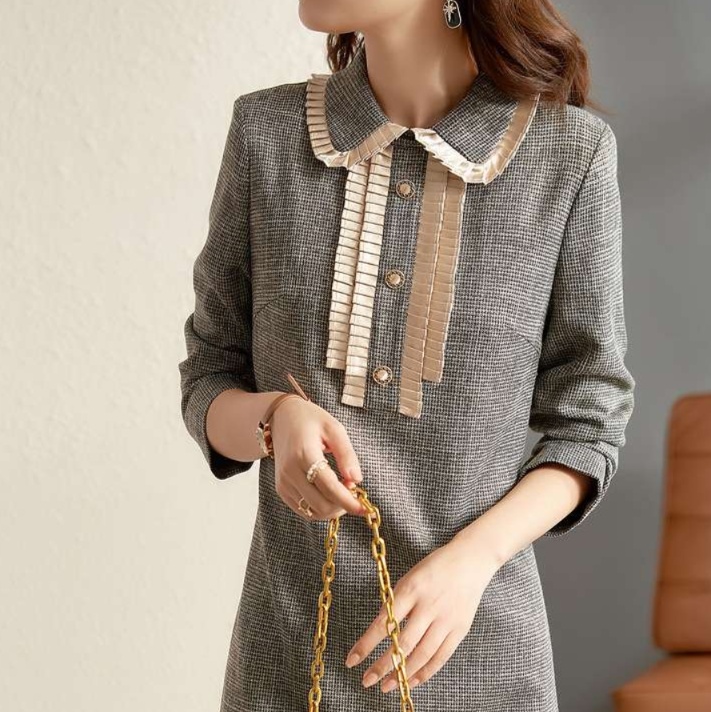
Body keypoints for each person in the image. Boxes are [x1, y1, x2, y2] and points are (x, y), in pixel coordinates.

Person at [178, 1, 636, 710]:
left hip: (482, 656)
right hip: (287, 663)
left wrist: (474, 561)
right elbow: (210, 375)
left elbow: (589, 424)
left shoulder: (570, 155)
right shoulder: (265, 132)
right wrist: (274, 418)